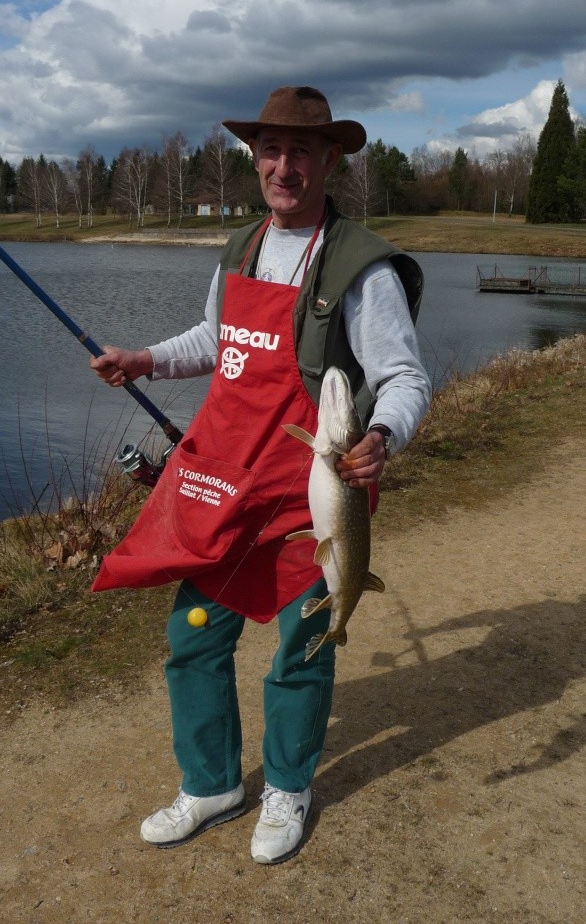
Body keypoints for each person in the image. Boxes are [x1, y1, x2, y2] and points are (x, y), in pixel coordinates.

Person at [90, 85, 431, 864]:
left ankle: (287, 785)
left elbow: (406, 376)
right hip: (228, 481)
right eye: (271, 151)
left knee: (301, 648)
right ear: (255, 158)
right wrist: (145, 359)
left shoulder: (359, 265)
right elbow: (220, 338)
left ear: (328, 160)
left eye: (301, 152)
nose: (284, 166)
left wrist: (383, 433)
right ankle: (211, 783)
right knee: (193, 636)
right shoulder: (241, 245)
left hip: (313, 497)